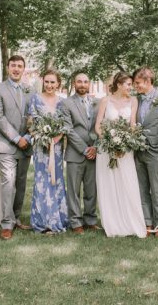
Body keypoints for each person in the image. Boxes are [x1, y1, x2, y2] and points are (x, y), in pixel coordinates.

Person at [95, 72, 147, 238]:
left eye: (131, 85)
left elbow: (132, 125)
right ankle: (112, 223)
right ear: (119, 84)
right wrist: (110, 142)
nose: (131, 88)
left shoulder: (133, 101)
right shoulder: (105, 100)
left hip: (125, 150)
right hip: (107, 150)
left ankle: (131, 222)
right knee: (109, 184)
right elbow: (98, 126)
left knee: (127, 183)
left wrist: (124, 143)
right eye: (128, 85)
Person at [0, 55, 34, 240]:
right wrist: (16, 138)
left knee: (21, 183)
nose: (16, 69)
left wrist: (28, 136)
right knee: (8, 182)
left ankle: (15, 217)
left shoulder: (30, 90)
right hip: (6, 144)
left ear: (24, 69)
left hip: (26, 143)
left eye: (20, 66)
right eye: (13, 65)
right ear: (7, 67)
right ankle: (6, 224)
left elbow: (35, 116)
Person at [132, 67, 158, 238]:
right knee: (142, 189)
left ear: (147, 81)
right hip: (138, 152)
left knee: (156, 189)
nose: (136, 86)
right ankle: (148, 223)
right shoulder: (137, 100)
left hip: (155, 152)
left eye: (137, 83)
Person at [28, 69, 69, 234]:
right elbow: (30, 123)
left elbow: (66, 123)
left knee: (56, 179)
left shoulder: (62, 102)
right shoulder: (36, 99)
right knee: (42, 180)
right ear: (43, 82)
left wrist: (57, 137)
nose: (50, 85)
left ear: (58, 83)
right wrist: (42, 136)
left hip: (57, 147)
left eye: (53, 82)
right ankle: (42, 221)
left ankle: (59, 219)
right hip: (41, 147)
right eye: (47, 82)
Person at [60, 72, 100, 234]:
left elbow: (102, 125)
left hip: (95, 152)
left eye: (85, 82)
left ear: (89, 83)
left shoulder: (97, 103)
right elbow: (68, 129)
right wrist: (84, 149)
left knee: (92, 189)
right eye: (79, 82)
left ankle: (90, 219)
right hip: (76, 154)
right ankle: (75, 221)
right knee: (74, 190)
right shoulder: (66, 103)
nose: (82, 84)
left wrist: (96, 147)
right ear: (74, 83)